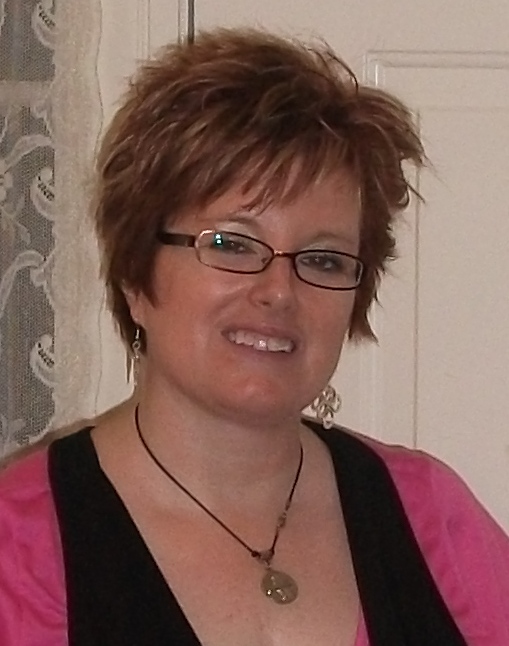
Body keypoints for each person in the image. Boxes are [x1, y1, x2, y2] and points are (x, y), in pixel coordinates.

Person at [1, 26, 508, 646]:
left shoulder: (431, 515)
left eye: (323, 259)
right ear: (135, 274)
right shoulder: (19, 546)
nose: (278, 291)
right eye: (232, 244)